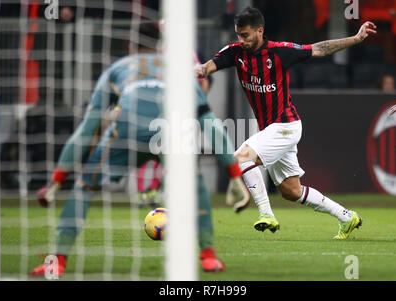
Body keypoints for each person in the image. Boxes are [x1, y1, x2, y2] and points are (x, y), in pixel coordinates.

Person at [30, 24, 248, 277]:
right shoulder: (178, 69)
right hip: (169, 133)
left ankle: (57, 260)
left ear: (131, 46)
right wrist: (234, 174)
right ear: (160, 46)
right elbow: (210, 124)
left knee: (84, 186)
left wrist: (55, 181)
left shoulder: (118, 68)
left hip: (125, 133)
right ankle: (208, 257)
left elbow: (87, 130)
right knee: (195, 186)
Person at [196, 7, 377, 239]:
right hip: (271, 130)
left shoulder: (280, 52)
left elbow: (319, 49)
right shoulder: (235, 53)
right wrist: (197, 70)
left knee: (240, 158)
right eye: (238, 35)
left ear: (260, 31)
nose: (241, 40)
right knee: (292, 191)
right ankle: (346, 216)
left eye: (246, 35)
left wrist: (356, 38)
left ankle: (266, 214)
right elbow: (208, 67)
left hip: (286, 126)